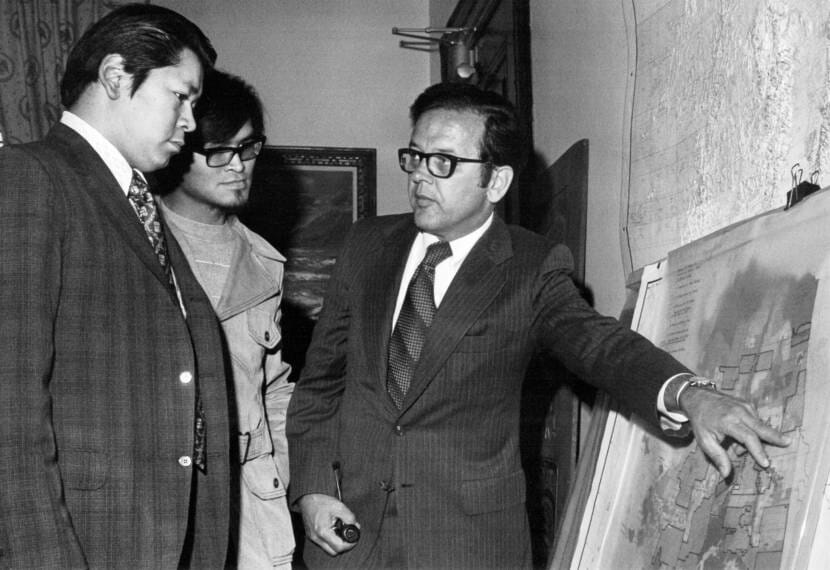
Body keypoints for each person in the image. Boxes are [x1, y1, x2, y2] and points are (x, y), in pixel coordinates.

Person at [285, 82, 791, 569]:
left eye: (442, 162)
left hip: (465, 545)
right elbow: (320, 385)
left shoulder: (532, 266)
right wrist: (311, 490)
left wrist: (691, 394)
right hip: (349, 538)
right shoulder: (365, 245)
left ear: (496, 181)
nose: (420, 176)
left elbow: (600, 345)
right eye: (414, 157)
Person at [0, 5, 234, 568]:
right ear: (115, 76)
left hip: (156, 539)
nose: (190, 122)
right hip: (85, 542)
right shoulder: (29, 176)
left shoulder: (136, 200)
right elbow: (10, 402)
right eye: (180, 96)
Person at [155, 70, 295, 569]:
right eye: (218, 151)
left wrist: (280, 477)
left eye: (248, 148)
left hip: (247, 510)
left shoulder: (264, 263)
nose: (238, 166)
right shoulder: (134, 239)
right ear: (177, 147)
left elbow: (273, 388)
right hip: (156, 501)